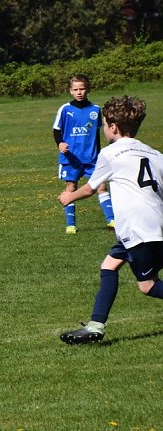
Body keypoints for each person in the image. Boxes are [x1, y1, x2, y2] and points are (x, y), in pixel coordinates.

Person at [58, 94, 163, 342]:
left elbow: (92, 187)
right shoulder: (155, 154)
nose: (103, 128)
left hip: (139, 230)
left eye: (104, 124)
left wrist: (68, 197)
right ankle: (95, 325)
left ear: (112, 127)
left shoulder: (111, 153)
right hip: (153, 225)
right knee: (109, 265)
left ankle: (96, 326)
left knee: (147, 285)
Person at [53, 74, 114, 234]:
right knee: (71, 187)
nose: (79, 92)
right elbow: (56, 130)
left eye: (82, 88)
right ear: (70, 91)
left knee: (101, 186)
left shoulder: (95, 110)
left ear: (88, 89)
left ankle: (111, 220)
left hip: (92, 157)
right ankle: (71, 224)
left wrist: (102, 154)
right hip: (71, 158)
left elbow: (99, 133)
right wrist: (60, 143)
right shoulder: (65, 109)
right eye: (75, 89)